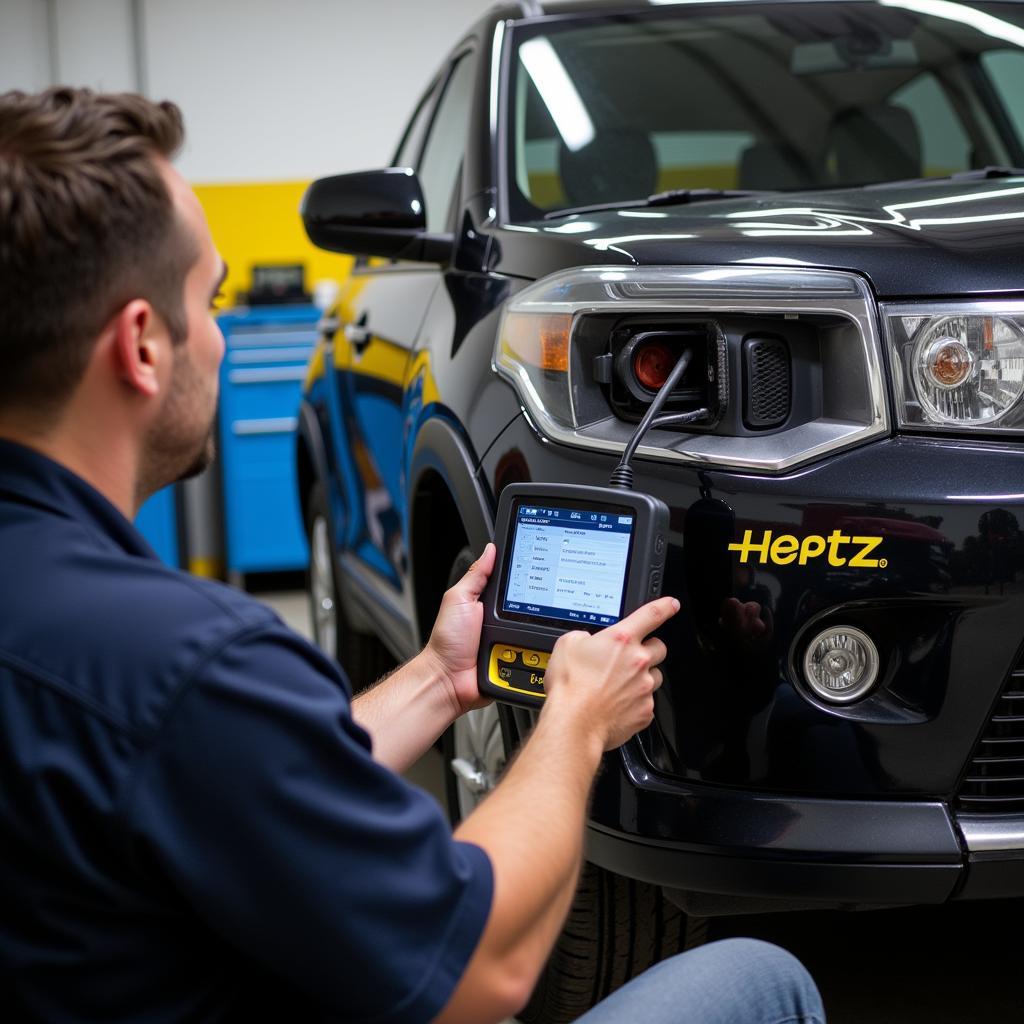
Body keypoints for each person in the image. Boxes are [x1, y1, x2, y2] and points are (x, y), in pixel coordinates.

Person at [0, 87, 826, 1024]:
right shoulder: (188, 661)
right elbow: (481, 969)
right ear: (143, 345)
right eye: (211, 299)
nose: (222, 338)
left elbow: (242, 774)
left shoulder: (111, 659)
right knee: (764, 978)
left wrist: (439, 677)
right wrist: (574, 724)